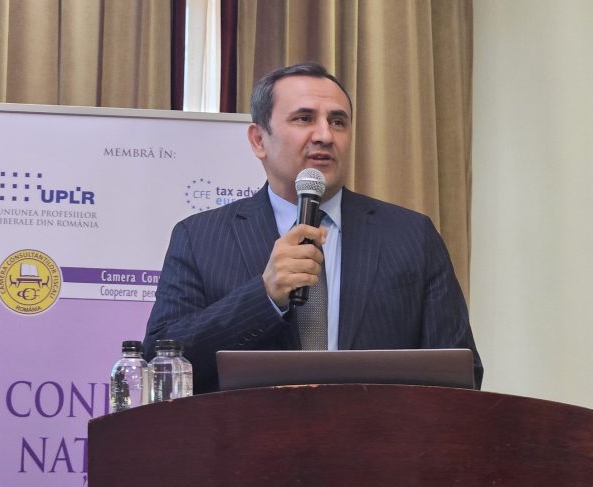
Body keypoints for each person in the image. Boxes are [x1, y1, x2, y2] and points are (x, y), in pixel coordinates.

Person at [143, 62, 483, 393]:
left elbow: (460, 373)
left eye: (338, 122)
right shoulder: (199, 238)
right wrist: (263, 297)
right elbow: (160, 362)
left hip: (375, 431)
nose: (324, 135)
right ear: (259, 140)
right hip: (247, 431)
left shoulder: (411, 236)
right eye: (304, 118)